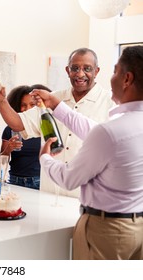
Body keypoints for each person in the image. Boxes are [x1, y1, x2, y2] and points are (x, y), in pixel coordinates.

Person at [36, 45, 143, 260]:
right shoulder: (125, 128)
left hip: (106, 232)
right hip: (137, 228)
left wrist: (45, 158)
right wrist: (59, 107)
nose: (111, 79)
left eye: (115, 71)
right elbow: (97, 133)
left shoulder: (110, 132)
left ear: (127, 79)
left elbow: (68, 179)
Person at [0, 48, 115, 197]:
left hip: (87, 196)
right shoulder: (53, 97)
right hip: (49, 193)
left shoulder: (110, 104)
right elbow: (18, 123)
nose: (80, 74)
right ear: (67, 70)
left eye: (87, 68)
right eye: (75, 68)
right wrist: (2, 102)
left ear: (97, 71)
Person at [0, 84, 51, 190]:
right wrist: (8, 148)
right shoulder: (10, 129)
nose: (27, 109)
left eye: (32, 105)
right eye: (23, 105)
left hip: (39, 181)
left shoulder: (45, 128)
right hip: (14, 181)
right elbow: (2, 159)